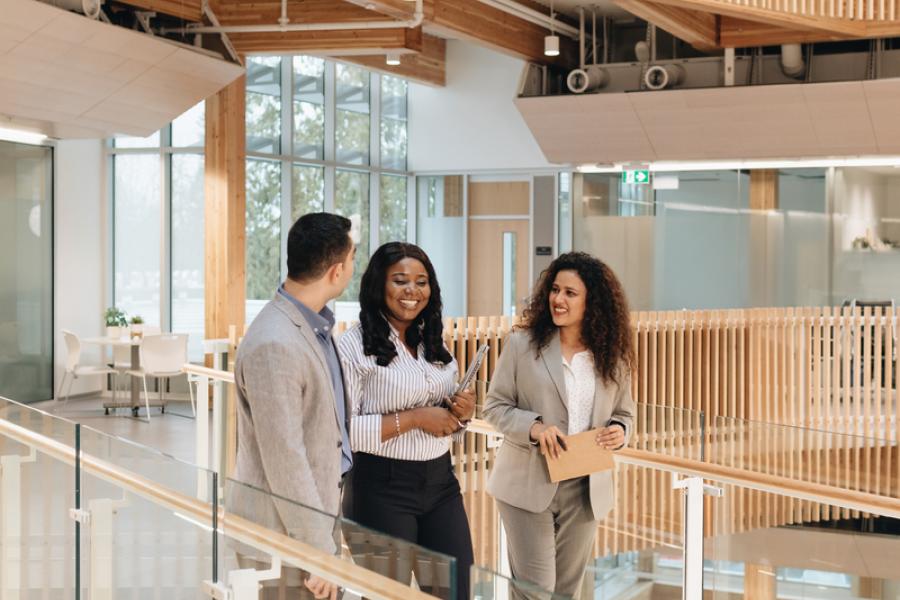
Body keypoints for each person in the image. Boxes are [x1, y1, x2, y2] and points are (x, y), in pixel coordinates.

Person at [482, 251, 636, 599]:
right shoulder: (522, 345)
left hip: (585, 487)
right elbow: (494, 406)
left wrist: (620, 432)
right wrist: (535, 428)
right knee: (536, 591)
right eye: (555, 289)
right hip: (527, 483)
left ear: (592, 302)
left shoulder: (613, 356)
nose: (558, 299)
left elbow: (625, 414)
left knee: (565, 592)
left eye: (570, 293)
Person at [337, 242, 476, 600]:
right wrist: (414, 419)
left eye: (422, 281)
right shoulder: (352, 347)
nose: (413, 291)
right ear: (378, 286)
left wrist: (460, 415)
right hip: (379, 487)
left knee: (456, 592)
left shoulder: (432, 341)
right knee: (388, 596)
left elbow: (442, 420)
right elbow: (342, 431)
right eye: (400, 281)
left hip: (440, 483)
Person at [232, 212, 356, 600]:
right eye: (353, 259)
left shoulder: (313, 326)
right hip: (282, 537)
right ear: (336, 271)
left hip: (310, 522)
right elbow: (285, 458)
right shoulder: (276, 343)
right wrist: (317, 551)